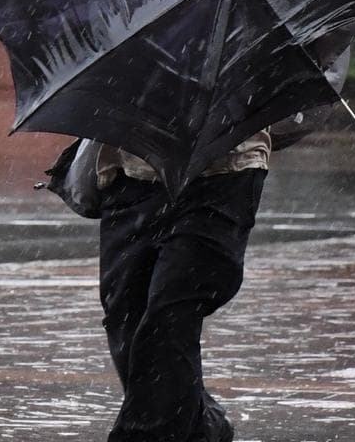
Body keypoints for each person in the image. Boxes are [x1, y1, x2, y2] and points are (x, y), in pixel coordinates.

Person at [46, 132, 271, 442]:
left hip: (223, 176)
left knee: (170, 312)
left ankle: (144, 434)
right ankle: (199, 422)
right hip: (130, 176)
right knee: (125, 316)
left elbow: (292, 107)